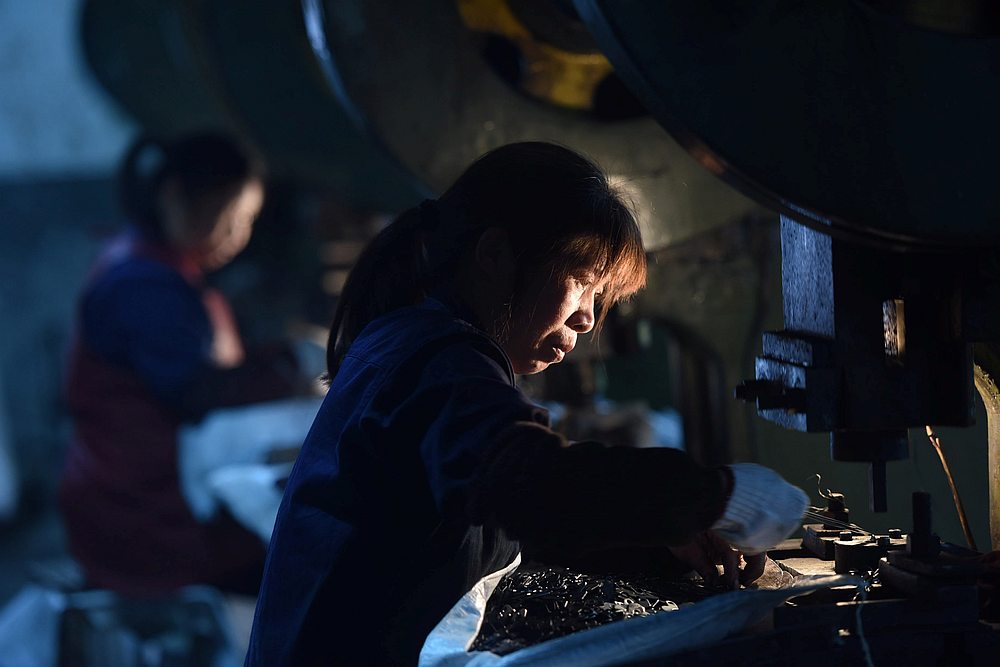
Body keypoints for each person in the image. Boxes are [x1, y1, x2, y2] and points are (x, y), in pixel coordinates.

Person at [245, 142, 807, 665]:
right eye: (583, 281)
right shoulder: (438, 358)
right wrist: (720, 496)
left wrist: (662, 539)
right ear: (495, 255)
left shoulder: (410, 339)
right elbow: (531, 485)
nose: (587, 318)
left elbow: (497, 523)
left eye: (599, 297)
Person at [59, 132, 309, 596]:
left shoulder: (162, 268)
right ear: (174, 196)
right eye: (228, 217)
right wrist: (289, 373)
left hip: (142, 497)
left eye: (247, 220)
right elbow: (193, 391)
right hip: (142, 514)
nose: (237, 237)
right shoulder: (143, 285)